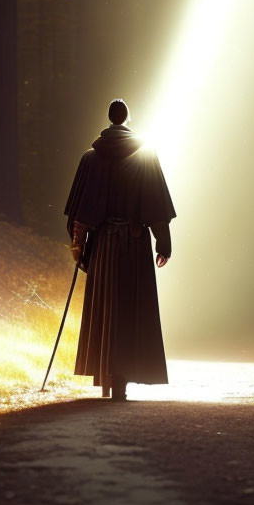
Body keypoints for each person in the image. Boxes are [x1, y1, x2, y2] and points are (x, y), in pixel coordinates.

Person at [64, 99, 175, 401]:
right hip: (135, 246)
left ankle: (106, 375)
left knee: (105, 307)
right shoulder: (145, 156)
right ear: (127, 119)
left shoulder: (90, 159)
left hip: (102, 245)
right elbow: (156, 208)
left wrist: (79, 246)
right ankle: (120, 380)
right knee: (128, 308)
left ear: (109, 119)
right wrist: (163, 243)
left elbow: (78, 214)